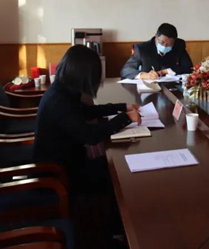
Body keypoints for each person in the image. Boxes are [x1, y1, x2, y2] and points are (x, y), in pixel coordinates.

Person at [34, 45, 141, 193]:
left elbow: (86, 111)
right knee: (120, 174)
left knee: (117, 166)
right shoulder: (59, 100)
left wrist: (122, 107)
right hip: (60, 172)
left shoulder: (62, 89)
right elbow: (90, 136)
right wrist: (125, 118)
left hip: (69, 159)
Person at [120, 23, 193, 80]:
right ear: (156, 36)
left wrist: (166, 71)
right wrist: (144, 75)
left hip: (171, 87)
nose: (165, 46)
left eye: (169, 44)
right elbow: (126, 70)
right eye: (162, 42)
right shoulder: (143, 48)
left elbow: (189, 68)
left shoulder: (179, 46)